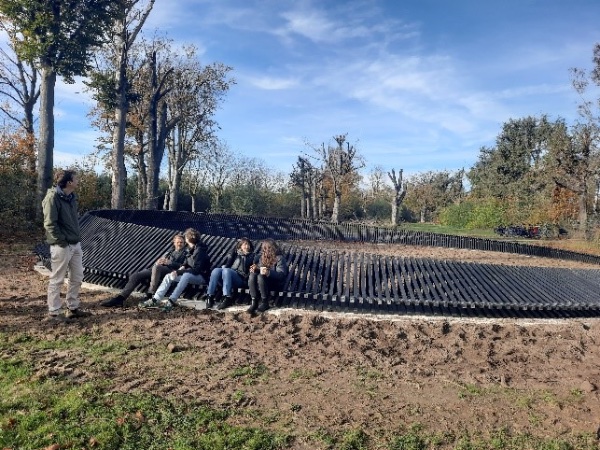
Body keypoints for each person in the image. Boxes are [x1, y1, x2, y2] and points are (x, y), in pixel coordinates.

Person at [42, 169, 90, 321]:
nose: (78, 181)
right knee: (57, 279)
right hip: (62, 245)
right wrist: (61, 242)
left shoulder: (71, 197)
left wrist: (75, 240)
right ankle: (54, 312)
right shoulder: (52, 198)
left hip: (75, 243)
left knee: (77, 277)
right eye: (76, 179)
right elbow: (50, 224)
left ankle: (73, 308)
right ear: (69, 182)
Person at [99, 234, 188, 308]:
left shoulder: (186, 253)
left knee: (157, 268)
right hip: (156, 269)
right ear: (174, 242)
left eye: (181, 242)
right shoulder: (169, 252)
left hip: (170, 271)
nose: (179, 244)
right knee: (135, 276)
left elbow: (185, 265)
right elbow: (159, 262)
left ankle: (150, 294)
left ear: (184, 243)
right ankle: (120, 298)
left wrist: (170, 262)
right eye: (177, 242)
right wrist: (158, 261)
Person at [140, 228, 211, 311]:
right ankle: (155, 299)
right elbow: (188, 262)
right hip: (190, 273)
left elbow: (196, 270)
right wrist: (183, 266)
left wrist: (178, 271)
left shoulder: (200, 251)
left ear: (187, 239)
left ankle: (171, 301)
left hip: (202, 277)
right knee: (168, 276)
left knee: (186, 276)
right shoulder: (191, 248)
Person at [204, 237, 255, 310]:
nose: (247, 246)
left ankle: (227, 297)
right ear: (240, 246)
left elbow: (251, 270)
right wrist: (231, 255)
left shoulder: (252, 256)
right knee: (216, 270)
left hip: (242, 278)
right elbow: (228, 265)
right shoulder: (235, 254)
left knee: (227, 271)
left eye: (248, 244)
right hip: (229, 276)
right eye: (245, 244)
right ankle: (210, 296)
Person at [247, 238, 289, 314]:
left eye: (269, 248)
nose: (267, 250)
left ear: (274, 248)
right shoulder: (262, 257)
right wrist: (255, 269)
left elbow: (281, 275)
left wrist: (268, 272)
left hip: (276, 284)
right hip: (264, 283)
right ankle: (254, 301)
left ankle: (265, 302)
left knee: (261, 276)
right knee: (252, 275)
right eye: (264, 248)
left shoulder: (280, 258)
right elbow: (260, 269)